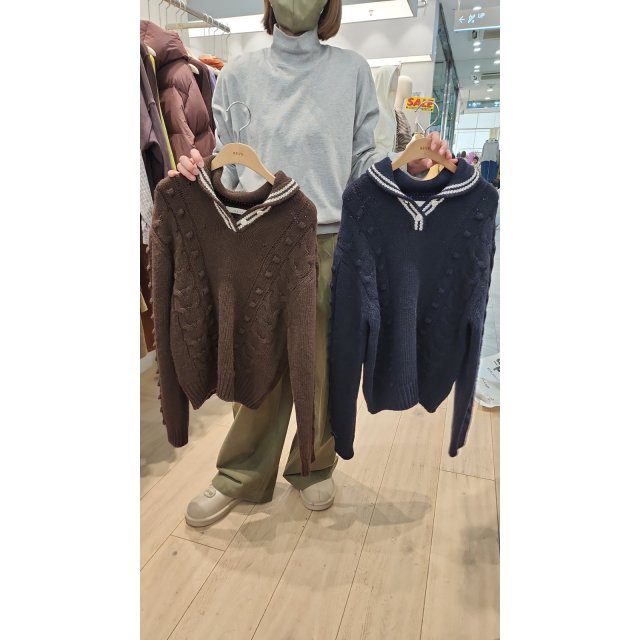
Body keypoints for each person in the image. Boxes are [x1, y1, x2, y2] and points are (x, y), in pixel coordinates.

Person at [166, 0, 456, 527]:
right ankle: (241, 472)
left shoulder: (352, 72)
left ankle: (313, 464)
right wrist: (196, 175)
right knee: (255, 361)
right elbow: (229, 163)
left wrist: (408, 166)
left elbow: (364, 162)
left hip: (328, 239)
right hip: (256, 237)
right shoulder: (239, 75)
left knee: (324, 366)